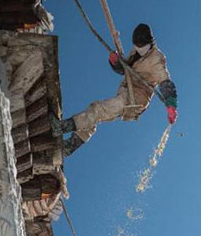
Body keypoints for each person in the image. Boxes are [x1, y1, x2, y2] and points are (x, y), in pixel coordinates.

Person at [52, 23, 178, 157]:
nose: (139, 49)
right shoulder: (135, 52)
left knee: (99, 110)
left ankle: (61, 127)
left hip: (135, 99)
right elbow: (126, 69)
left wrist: (171, 104)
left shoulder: (156, 59)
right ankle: (70, 146)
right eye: (137, 46)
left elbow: (165, 81)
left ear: (150, 43)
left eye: (141, 47)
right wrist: (116, 63)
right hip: (126, 90)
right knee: (97, 112)